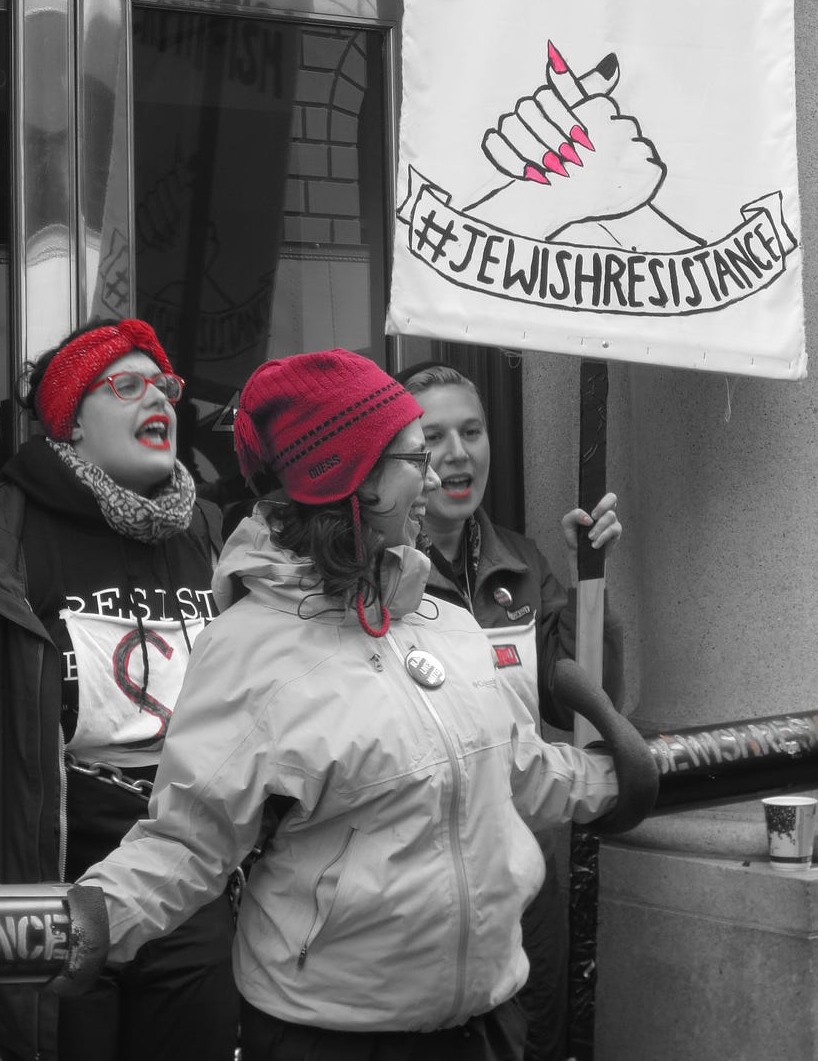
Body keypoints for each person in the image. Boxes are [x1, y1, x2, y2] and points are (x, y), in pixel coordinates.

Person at [63, 348, 657, 1061]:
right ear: (353, 478)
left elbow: (517, 767)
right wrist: (84, 922)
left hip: (490, 1026)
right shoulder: (248, 648)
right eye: (416, 454)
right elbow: (188, 841)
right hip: (333, 1039)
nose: (434, 475)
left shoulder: (448, 621)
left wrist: (621, 777)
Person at [0, 317, 237, 1061]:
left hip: (189, 902)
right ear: (71, 419)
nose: (157, 400)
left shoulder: (209, 534)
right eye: (125, 386)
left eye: (164, 386)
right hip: (47, 903)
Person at [399, 361, 624, 1061]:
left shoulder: (521, 564)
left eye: (472, 431)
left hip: (529, 862)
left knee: (536, 1042)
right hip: (426, 872)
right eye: (433, 437)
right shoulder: (378, 575)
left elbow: (586, 698)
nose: (457, 454)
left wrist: (588, 580)